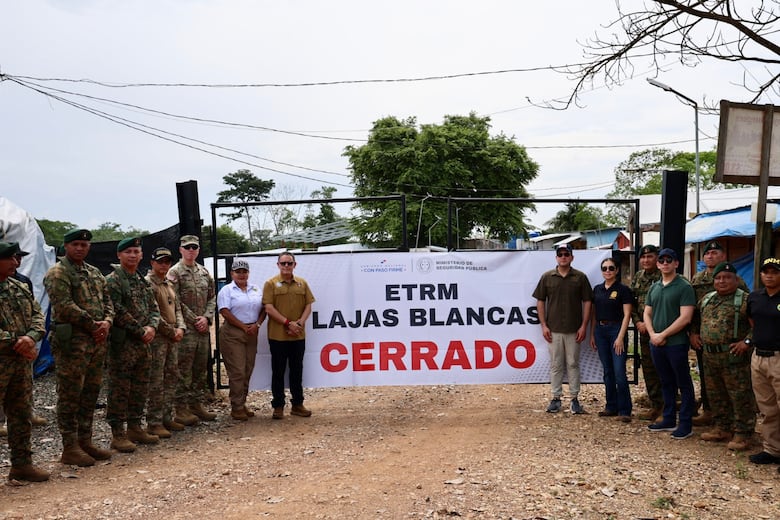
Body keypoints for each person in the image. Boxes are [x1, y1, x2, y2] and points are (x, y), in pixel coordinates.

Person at [44, 228, 115, 467]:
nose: (80, 248)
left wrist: (107, 321)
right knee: (70, 394)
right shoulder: (58, 272)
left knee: (90, 393)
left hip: (96, 341)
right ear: (66, 246)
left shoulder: (94, 272)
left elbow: (108, 301)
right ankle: (70, 446)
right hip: (72, 343)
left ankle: (85, 441)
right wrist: (93, 324)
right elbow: (64, 305)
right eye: (75, 244)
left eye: (84, 245)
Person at [105, 237, 161, 452]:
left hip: (143, 343)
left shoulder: (141, 280)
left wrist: (152, 327)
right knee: (120, 388)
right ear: (119, 255)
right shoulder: (113, 280)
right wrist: (141, 330)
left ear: (141, 255)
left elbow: (154, 308)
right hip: (124, 344)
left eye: (136, 251)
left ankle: (135, 427)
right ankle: (118, 434)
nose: (132, 255)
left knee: (140, 386)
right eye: (128, 251)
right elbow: (116, 310)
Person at [690, 262, 754, 450]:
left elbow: (759, 325)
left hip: (734, 357)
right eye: (718, 278)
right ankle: (722, 427)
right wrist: (693, 334)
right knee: (715, 394)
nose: (722, 281)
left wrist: (746, 342)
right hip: (710, 356)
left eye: (727, 277)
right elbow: (695, 318)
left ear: (736, 280)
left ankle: (743, 433)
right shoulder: (707, 299)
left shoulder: (745, 300)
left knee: (740, 395)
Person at [0, 241, 49, 482]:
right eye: (10, 258)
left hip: (20, 363)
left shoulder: (18, 287)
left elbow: (38, 316)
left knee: (20, 414)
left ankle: (22, 465)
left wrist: (31, 338)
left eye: (17, 258)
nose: (16, 262)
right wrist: (17, 342)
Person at [532, 244, 593, 414]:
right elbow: (540, 301)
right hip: (554, 330)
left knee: (573, 364)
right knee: (556, 364)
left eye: (567, 254)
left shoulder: (580, 277)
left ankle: (574, 399)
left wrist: (584, 326)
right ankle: (555, 398)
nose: (563, 257)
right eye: (560, 254)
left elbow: (588, 301)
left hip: (574, 329)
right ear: (556, 257)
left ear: (572, 257)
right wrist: (543, 325)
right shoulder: (547, 277)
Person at [643, 247, 697, 440]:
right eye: (662, 261)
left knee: (683, 382)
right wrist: (652, 334)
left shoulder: (684, 287)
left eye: (669, 260)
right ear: (658, 264)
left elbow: (686, 317)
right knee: (665, 381)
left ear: (676, 263)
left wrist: (663, 334)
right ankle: (668, 418)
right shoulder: (655, 287)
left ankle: (686, 424)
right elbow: (647, 313)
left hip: (676, 343)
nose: (665, 264)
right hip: (656, 343)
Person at [167, 235, 217, 424]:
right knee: (183, 370)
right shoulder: (174, 272)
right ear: (180, 249)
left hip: (202, 331)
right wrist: (194, 319)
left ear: (198, 250)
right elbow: (174, 300)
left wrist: (207, 317)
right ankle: (181, 409)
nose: (191, 250)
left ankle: (196, 405)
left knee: (200, 369)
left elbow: (212, 297)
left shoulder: (204, 272)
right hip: (186, 330)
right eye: (187, 247)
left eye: (194, 247)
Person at [262, 251, 315, 419]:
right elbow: (268, 308)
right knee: (278, 372)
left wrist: (299, 324)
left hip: (298, 336)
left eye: (289, 263)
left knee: (297, 371)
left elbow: (308, 305)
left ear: (294, 265)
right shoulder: (270, 284)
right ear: (278, 265)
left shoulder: (302, 283)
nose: (286, 266)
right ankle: (278, 406)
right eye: (283, 263)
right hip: (277, 336)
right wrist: (287, 323)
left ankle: (297, 404)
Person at [217, 259, 265, 421]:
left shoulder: (255, 289)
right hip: (233, 332)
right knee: (237, 370)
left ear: (248, 273)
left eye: (244, 271)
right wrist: (243, 327)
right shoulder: (227, 290)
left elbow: (264, 308)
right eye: (238, 272)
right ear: (232, 274)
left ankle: (242, 402)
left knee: (247, 369)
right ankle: (236, 407)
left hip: (252, 332)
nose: (242, 274)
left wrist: (257, 324)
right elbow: (224, 311)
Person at [145, 247, 186, 437]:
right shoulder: (148, 284)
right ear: (152, 262)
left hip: (172, 337)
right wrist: (171, 331)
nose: (164, 265)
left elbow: (177, 308)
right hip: (159, 338)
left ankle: (167, 417)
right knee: (157, 380)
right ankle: (154, 422)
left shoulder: (168, 284)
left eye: (167, 262)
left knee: (171, 376)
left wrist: (181, 327)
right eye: (160, 261)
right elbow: (152, 313)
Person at [590, 256, 633, 422]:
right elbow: (594, 313)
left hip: (616, 330)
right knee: (607, 371)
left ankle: (625, 410)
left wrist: (620, 337)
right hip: (600, 331)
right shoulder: (597, 289)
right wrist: (593, 334)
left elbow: (627, 314)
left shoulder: (623, 290)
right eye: (604, 268)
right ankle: (611, 406)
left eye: (611, 268)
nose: (607, 271)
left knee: (619, 371)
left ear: (617, 270)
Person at [746, 257, 780, 467]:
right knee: (767, 408)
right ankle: (772, 450)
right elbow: (752, 320)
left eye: (774, 272)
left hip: (778, 358)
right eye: (766, 272)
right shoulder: (754, 297)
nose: (770, 276)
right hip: (758, 357)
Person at [630, 244, 664, 421]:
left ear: (656, 258)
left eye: (649, 256)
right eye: (643, 257)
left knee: (664, 369)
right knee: (649, 369)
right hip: (644, 331)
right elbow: (632, 303)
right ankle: (656, 406)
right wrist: (637, 322)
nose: (646, 260)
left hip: (662, 330)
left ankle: (669, 406)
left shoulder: (664, 275)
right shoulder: (638, 277)